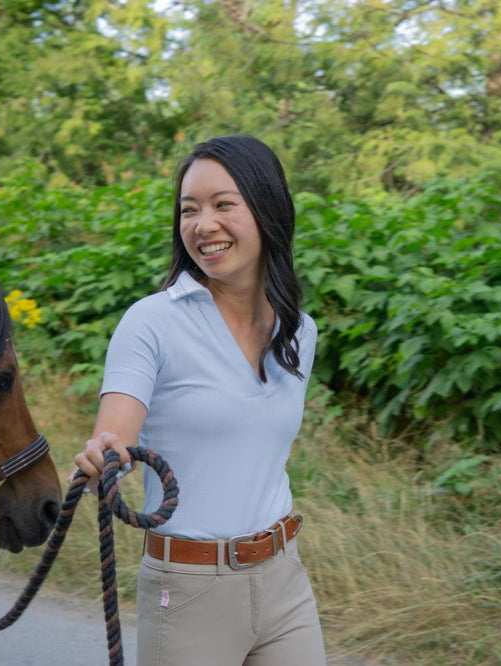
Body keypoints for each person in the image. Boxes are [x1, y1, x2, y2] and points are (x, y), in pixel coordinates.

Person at [73, 135, 327, 666]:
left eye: (223, 205)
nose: (202, 225)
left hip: (284, 579)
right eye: (189, 210)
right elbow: (114, 432)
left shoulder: (299, 331)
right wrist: (106, 457)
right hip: (186, 590)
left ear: (267, 210)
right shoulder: (152, 322)